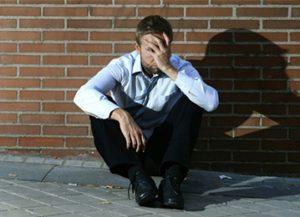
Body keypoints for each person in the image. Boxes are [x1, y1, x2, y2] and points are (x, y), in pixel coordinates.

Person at [74, 15, 219, 209]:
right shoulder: (122, 65)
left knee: (193, 99)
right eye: (151, 49)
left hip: (162, 151)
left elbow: (211, 103)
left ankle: (172, 183)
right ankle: (140, 180)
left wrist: (168, 68)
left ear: (170, 47)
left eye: (162, 48)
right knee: (100, 110)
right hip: (129, 150)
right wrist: (121, 114)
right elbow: (82, 94)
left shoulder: (181, 68)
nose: (157, 55)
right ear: (137, 48)